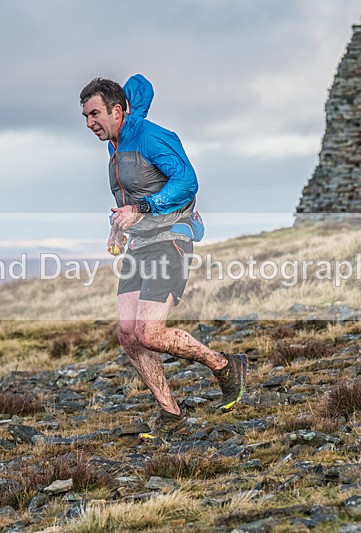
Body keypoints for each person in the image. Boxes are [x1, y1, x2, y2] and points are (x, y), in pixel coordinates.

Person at [79, 74, 248, 440]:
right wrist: (119, 224)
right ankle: (171, 415)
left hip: (171, 239)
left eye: (94, 115)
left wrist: (141, 208)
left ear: (117, 110)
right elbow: (131, 191)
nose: (90, 124)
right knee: (128, 334)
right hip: (139, 245)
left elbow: (187, 181)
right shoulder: (116, 141)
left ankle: (224, 365)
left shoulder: (153, 137)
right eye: (85, 117)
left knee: (149, 332)